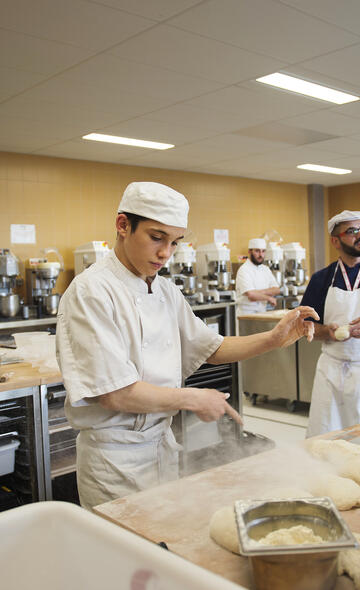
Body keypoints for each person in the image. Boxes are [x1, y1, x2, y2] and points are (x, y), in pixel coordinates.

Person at [56, 181, 318, 510]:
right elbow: (114, 392)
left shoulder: (165, 290)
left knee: (160, 550)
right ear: (123, 225)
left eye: (175, 242)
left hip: (161, 447)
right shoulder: (92, 292)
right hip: (115, 460)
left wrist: (274, 338)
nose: (166, 253)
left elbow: (211, 347)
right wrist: (193, 398)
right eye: (156, 237)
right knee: (126, 556)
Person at [301, 210, 360, 437]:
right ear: (335, 241)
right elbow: (306, 326)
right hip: (331, 370)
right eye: (352, 231)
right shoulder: (321, 279)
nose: (359, 235)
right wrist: (328, 331)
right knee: (325, 435)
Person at [235, 238, 280, 315]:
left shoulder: (266, 269)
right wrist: (268, 297)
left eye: (263, 251)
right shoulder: (244, 270)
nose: (261, 255)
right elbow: (251, 295)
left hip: (262, 312)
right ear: (250, 251)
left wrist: (258, 292)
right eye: (257, 251)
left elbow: (276, 290)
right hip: (246, 314)